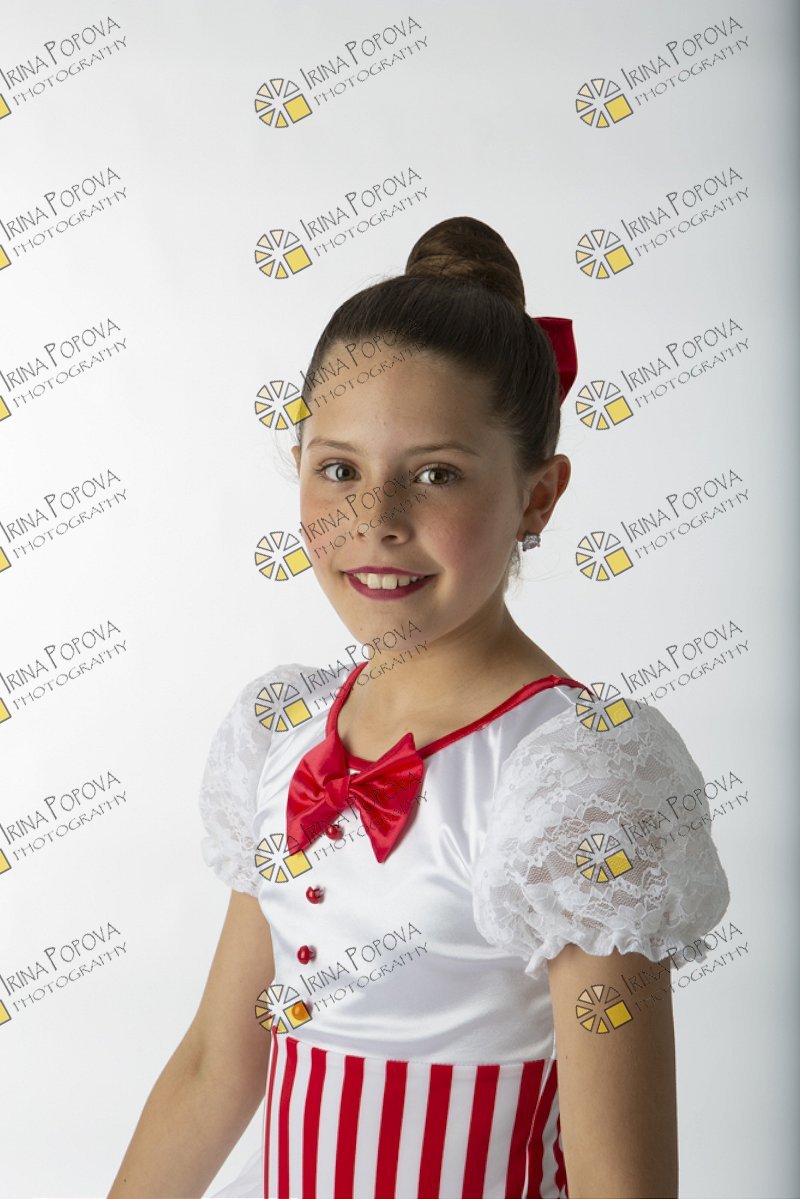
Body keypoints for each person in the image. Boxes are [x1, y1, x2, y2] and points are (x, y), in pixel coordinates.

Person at [108, 216, 730, 1199]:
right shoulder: (281, 739)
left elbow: (623, 1179)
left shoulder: (576, 781)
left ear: (538, 496)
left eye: (435, 474)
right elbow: (215, 1066)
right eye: (339, 469)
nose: (376, 519)